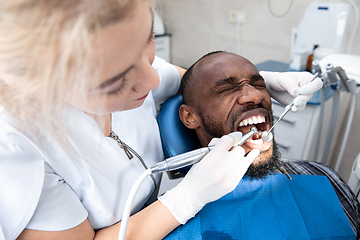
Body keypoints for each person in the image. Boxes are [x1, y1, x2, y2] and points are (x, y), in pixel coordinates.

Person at [0, 1, 323, 239]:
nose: (152, 80)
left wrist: (259, 83)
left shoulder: (139, 72)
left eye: (147, 39)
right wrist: (186, 199)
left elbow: (192, 85)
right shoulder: (15, 148)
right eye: (116, 79)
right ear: (42, 83)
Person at [159, 51, 360, 239]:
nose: (256, 96)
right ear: (190, 116)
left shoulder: (322, 176)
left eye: (259, 84)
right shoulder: (172, 224)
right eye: (227, 88)